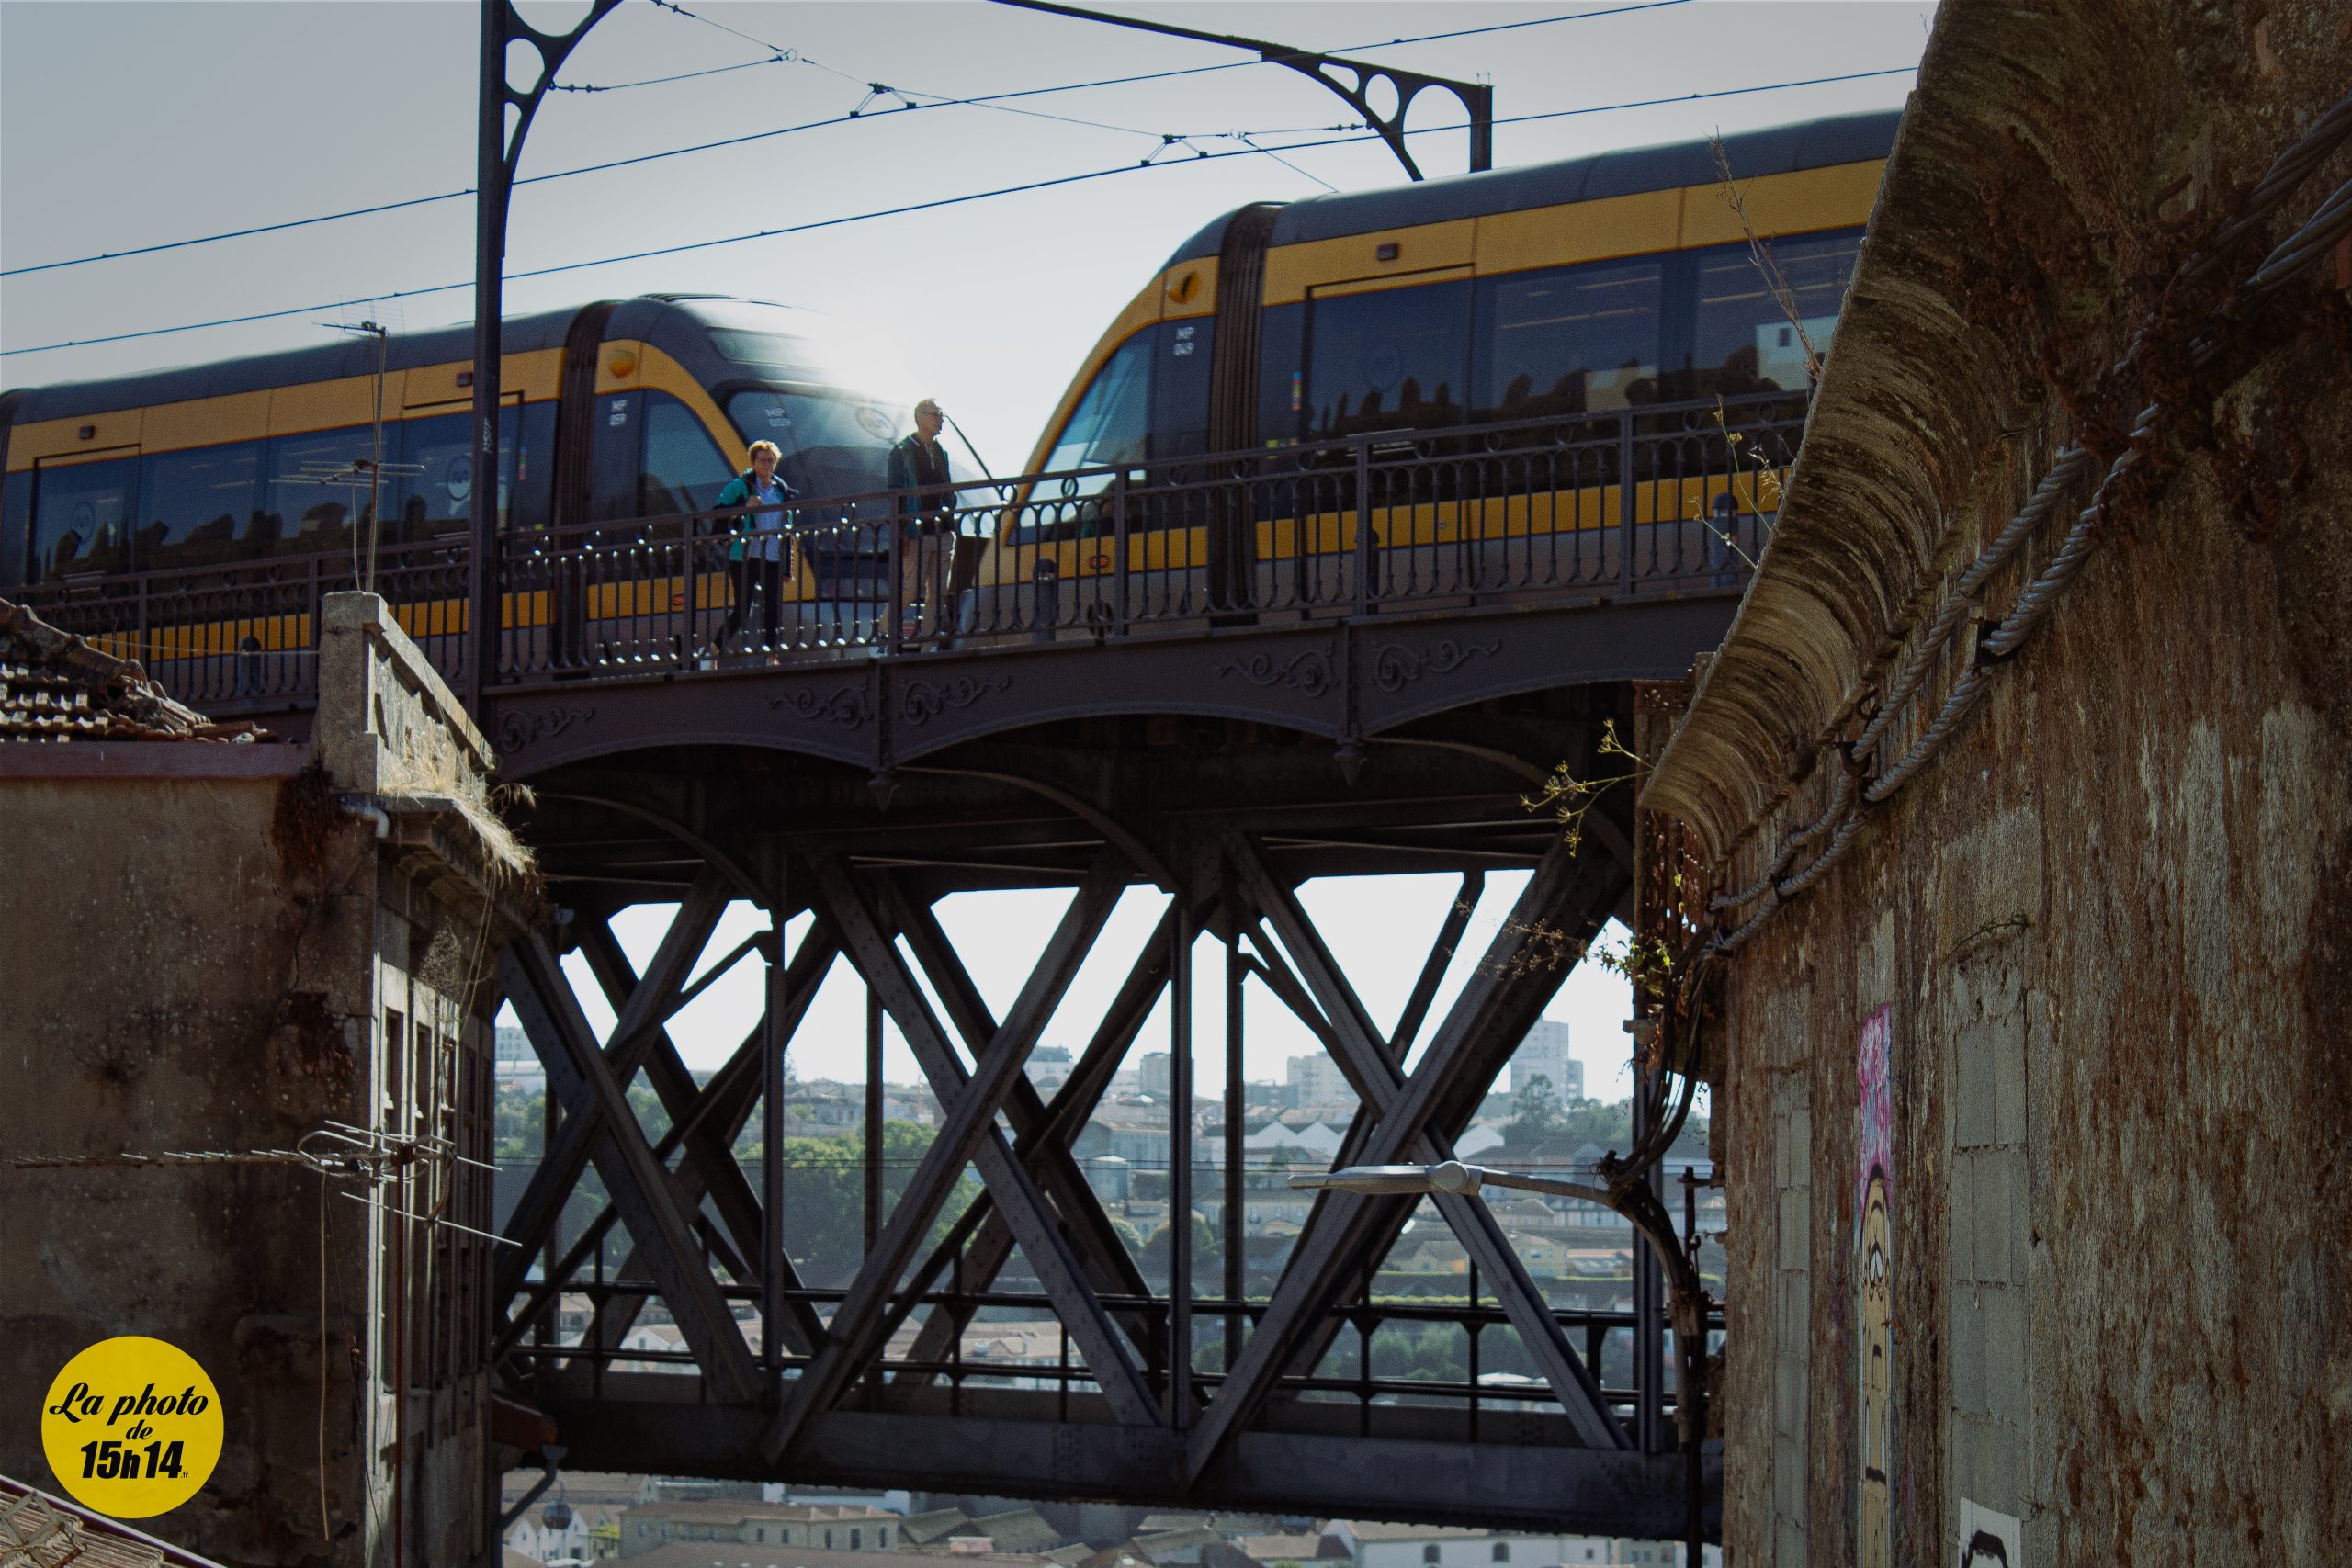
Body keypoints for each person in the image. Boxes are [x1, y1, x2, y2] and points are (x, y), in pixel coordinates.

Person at [713, 440, 797, 653]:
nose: (766, 464)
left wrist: (787, 567)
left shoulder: (782, 490)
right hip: (744, 556)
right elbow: (716, 515)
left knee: (773, 608)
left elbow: (787, 532)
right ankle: (714, 648)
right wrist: (743, 507)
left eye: (771, 460)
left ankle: (771, 654)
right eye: (761, 460)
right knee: (743, 610)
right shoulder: (739, 486)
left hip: (772, 557)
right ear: (753, 462)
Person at [886, 398, 956, 644]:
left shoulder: (940, 452)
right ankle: (884, 631)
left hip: (943, 529)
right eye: (937, 414)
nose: (941, 420)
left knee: (938, 592)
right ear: (921, 417)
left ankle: (928, 646)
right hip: (918, 530)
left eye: (941, 415)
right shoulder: (903, 451)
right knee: (911, 588)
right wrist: (902, 527)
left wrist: (950, 510)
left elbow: (948, 487)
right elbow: (894, 491)